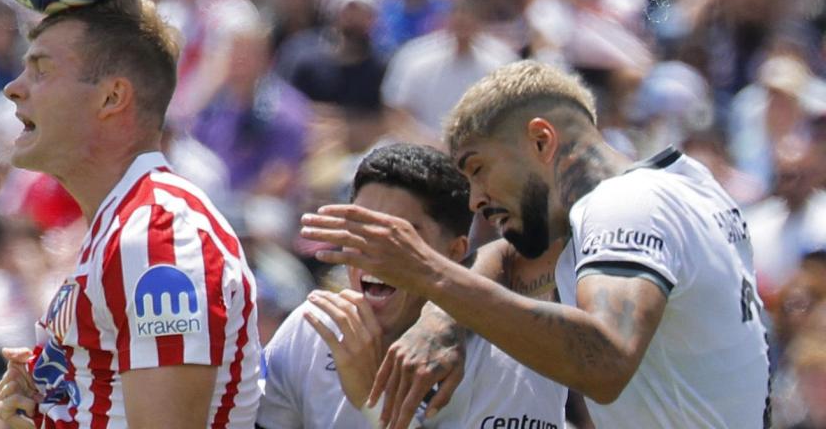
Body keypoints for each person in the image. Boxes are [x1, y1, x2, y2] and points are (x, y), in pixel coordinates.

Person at [301, 60, 771, 428]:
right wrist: (442, 320)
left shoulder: (623, 206)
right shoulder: (686, 185)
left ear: (541, 141)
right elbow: (505, 255)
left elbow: (605, 359)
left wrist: (429, 274)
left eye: (478, 168)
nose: (478, 199)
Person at [0, 0, 261, 428]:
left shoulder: (159, 234)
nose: (14, 87)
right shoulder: (123, 225)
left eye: (41, 70)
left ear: (112, 97)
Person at [258, 143, 566, 428]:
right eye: (359, 229)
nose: (372, 249)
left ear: (455, 252)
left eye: (396, 236)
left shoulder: (513, 364)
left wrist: (371, 403)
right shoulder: (312, 329)